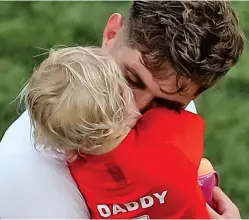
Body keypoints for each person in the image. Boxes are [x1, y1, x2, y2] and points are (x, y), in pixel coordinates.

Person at [0, 1, 244, 219]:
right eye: (131, 80)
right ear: (111, 33)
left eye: (167, 104)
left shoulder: (168, 88)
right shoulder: (25, 182)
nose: (135, 110)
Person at [22, 46, 209, 219]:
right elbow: (194, 126)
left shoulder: (78, 174)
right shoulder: (164, 131)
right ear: (124, 99)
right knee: (203, 168)